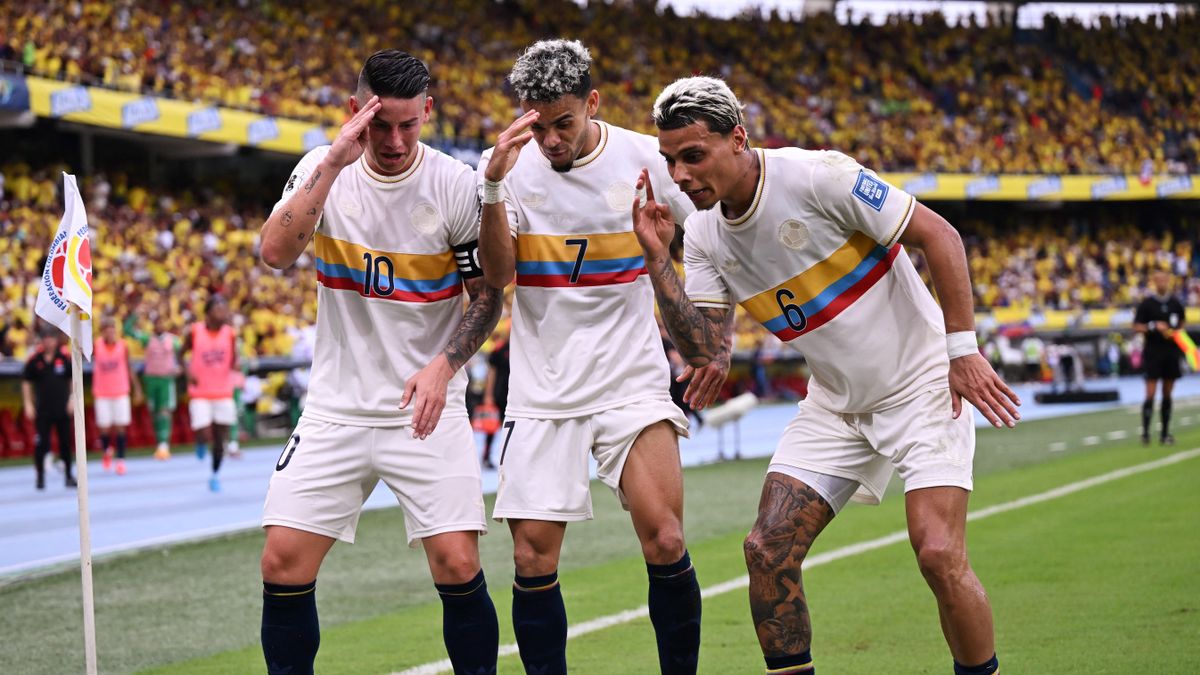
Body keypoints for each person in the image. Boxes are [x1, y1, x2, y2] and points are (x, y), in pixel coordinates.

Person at [633, 76, 1021, 675]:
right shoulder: (704, 232)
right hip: (836, 405)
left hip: (921, 385)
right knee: (766, 551)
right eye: (669, 161)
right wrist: (660, 262)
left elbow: (938, 234)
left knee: (939, 554)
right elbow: (705, 348)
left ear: (738, 139)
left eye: (693, 156)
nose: (679, 176)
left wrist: (962, 350)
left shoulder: (818, 176)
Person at [477, 39, 729, 675]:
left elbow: (707, 242)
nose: (552, 140)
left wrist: (709, 337)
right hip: (542, 388)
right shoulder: (504, 168)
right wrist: (493, 189)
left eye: (564, 123)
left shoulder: (648, 161)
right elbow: (498, 278)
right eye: (539, 126)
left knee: (666, 538)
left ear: (592, 103)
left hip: (630, 379)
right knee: (533, 560)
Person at [256, 50, 503, 675]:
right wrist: (336, 161)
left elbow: (488, 297)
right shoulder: (322, 167)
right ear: (355, 113)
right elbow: (275, 253)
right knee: (282, 560)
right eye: (379, 126)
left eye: (407, 125)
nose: (393, 141)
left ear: (428, 110)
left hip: (426, 407)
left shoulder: (454, 185)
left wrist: (443, 366)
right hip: (336, 407)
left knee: (458, 563)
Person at [180, 295, 238, 492]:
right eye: (218, 308)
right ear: (208, 312)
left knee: (221, 438)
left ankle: (214, 474)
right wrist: (188, 372)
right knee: (204, 431)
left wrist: (235, 369)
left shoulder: (230, 333)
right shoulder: (195, 332)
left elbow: (234, 359)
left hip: (223, 391)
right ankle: (200, 442)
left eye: (225, 308)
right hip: (200, 392)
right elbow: (180, 354)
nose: (223, 312)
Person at [1134, 269, 1187, 445]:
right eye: (1159, 280)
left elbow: (1181, 324)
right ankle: (1146, 433)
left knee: (1167, 393)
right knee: (1150, 392)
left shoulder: (1175, 303)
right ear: (1154, 282)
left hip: (1171, 352)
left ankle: (1165, 433)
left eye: (1165, 279)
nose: (1162, 283)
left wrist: (1175, 333)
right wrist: (1153, 326)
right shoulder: (1147, 304)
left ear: (1168, 281)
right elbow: (1136, 326)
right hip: (1153, 352)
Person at [22, 324, 75, 490]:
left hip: (62, 408)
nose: (48, 341)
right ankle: (40, 477)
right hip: (43, 409)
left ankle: (68, 475)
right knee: (41, 444)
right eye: (45, 338)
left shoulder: (63, 357)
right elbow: (26, 381)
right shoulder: (35, 359)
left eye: (51, 338)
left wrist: (72, 399)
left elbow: (72, 379)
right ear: (42, 341)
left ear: (55, 340)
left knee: (65, 443)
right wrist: (28, 403)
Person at [126, 309, 182, 460]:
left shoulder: (173, 340)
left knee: (165, 411)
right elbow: (128, 330)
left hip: (166, 379)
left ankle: (164, 445)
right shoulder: (147, 338)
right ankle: (159, 444)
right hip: (151, 379)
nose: (159, 325)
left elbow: (182, 352)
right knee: (154, 412)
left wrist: (179, 366)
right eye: (157, 323)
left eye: (162, 322)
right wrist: (135, 314)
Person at [92, 316, 143, 475]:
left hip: (120, 390)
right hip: (102, 391)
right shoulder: (96, 346)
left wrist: (137, 388)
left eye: (113, 330)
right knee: (104, 427)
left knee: (121, 426)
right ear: (103, 332)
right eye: (107, 330)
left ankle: (121, 460)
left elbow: (129, 367)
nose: (111, 333)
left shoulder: (123, 346)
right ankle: (107, 450)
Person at [479, 334, 509, 469]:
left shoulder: (521, 349)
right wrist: (488, 395)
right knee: (491, 429)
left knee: (510, 429)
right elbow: (491, 373)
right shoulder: (499, 349)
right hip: (499, 394)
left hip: (514, 396)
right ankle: (486, 457)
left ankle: (508, 458)